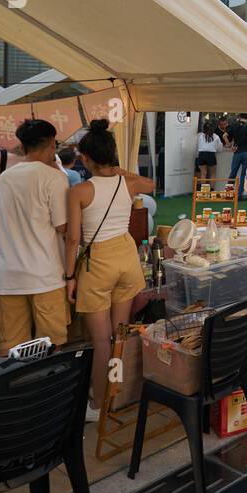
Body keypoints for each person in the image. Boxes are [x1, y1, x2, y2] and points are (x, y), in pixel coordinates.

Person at [63, 119, 155, 421]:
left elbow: (74, 238)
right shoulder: (128, 183)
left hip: (97, 265)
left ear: (86, 158)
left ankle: (98, 403)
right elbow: (150, 186)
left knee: (101, 341)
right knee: (119, 335)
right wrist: (120, 171)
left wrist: (69, 277)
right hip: (126, 259)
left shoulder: (79, 191)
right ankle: (116, 395)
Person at [0, 119, 70, 355]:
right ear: (52, 144)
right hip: (44, 275)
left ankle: (14, 391)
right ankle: (47, 391)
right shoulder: (54, 177)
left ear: (23, 147)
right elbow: (63, 226)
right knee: (51, 346)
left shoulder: (6, 177)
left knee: (10, 349)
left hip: (7, 276)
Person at [228, 114, 247, 200]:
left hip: (237, 153)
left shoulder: (234, 125)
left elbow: (225, 135)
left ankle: (228, 194)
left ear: (239, 117)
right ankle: (239, 195)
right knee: (244, 175)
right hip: (246, 152)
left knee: (233, 173)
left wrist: (229, 145)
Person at [194, 121, 220, 185]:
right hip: (211, 155)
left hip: (202, 154)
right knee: (212, 174)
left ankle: (203, 191)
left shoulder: (199, 135)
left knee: (203, 173)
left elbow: (196, 144)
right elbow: (219, 148)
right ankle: (211, 191)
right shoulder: (215, 136)